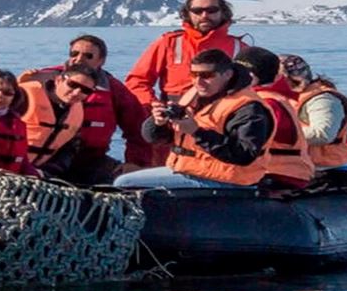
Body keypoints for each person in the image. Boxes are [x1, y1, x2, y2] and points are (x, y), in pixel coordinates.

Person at [114, 49, 274, 189]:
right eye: (194, 75)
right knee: (121, 180)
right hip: (189, 170)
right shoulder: (194, 96)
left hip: (228, 179)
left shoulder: (248, 108)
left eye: (207, 75)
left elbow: (244, 155)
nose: (198, 82)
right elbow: (153, 138)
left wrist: (197, 132)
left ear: (227, 74)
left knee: (126, 183)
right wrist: (158, 123)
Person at [125, 0, 250, 166]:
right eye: (198, 11)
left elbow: (258, 89)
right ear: (188, 14)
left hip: (220, 126)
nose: (204, 15)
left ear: (223, 12)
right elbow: (137, 81)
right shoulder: (169, 42)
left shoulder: (240, 48)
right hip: (173, 126)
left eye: (211, 10)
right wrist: (154, 106)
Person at [26, 35, 150, 185]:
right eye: (74, 54)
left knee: (128, 182)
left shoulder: (114, 90)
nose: (79, 59)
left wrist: (135, 162)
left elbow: (138, 127)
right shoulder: (43, 79)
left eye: (88, 56)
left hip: (90, 160)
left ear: (101, 61)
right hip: (45, 159)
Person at [234, 46, 315, 189]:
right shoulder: (269, 98)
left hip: (278, 174)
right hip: (276, 172)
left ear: (251, 76)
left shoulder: (265, 104)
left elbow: (247, 144)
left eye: (236, 71)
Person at [17, 63, 99, 180]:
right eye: (72, 84)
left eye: (85, 90)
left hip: (40, 173)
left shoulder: (78, 112)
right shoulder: (24, 95)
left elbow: (69, 149)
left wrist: (49, 171)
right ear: (59, 80)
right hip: (4, 167)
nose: (76, 93)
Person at [278, 54, 347, 170]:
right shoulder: (286, 98)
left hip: (328, 170)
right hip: (300, 166)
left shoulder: (322, 100)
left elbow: (323, 134)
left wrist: (275, 134)